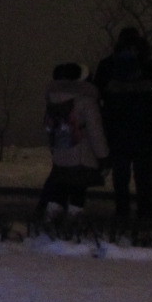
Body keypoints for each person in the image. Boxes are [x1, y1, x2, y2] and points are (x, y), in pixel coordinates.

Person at [92, 27, 152, 241]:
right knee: (143, 176)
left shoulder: (107, 64)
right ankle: (144, 213)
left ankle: (121, 211)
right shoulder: (146, 63)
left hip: (117, 128)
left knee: (120, 175)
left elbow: (98, 94)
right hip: (144, 129)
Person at [38, 62, 108, 231]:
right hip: (81, 153)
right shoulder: (86, 99)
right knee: (78, 188)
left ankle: (50, 221)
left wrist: (54, 149)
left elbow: (49, 127)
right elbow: (95, 130)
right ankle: (73, 226)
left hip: (61, 151)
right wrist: (103, 155)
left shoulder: (52, 98)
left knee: (60, 187)